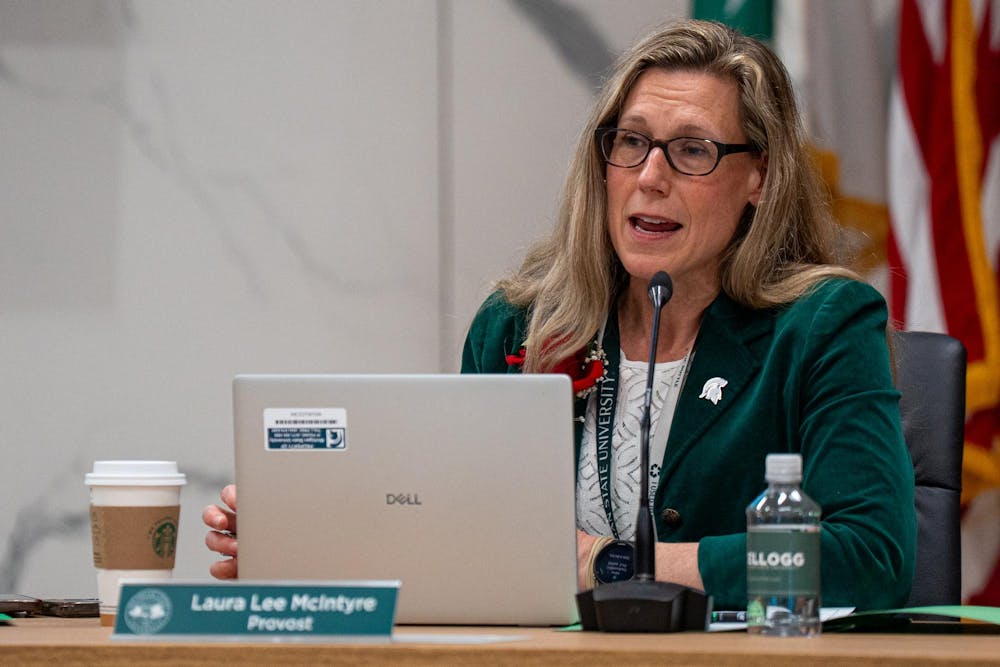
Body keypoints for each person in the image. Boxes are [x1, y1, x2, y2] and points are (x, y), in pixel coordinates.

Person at [205, 19, 916, 611]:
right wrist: (307, 544)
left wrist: (618, 565)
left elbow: (871, 557)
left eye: (692, 150)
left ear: (758, 176)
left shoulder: (821, 325)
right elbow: (456, 535)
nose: (650, 176)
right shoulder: (520, 326)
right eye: (631, 141)